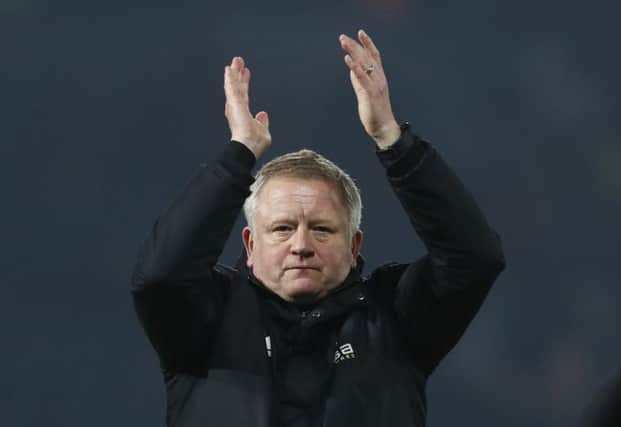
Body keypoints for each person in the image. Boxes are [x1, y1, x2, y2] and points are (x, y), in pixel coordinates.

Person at [131, 29, 506, 427]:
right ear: (250, 243)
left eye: (322, 229)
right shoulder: (208, 317)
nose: (301, 245)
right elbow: (159, 276)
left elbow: (474, 257)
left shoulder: (395, 318)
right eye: (281, 228)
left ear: (354, 244)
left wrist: (393, 141)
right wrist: (239, 152)